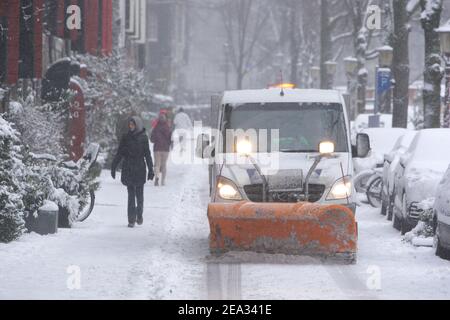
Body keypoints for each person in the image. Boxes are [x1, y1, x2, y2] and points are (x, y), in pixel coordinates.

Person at [111, 116, 155, 228]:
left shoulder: (144, 138)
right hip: (129, 168)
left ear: (137, 125)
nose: (131, 127)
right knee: (131, 195)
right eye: (130, 125)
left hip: (139, 168)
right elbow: (119, 153)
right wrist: (114, 166)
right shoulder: (126, 137)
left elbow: (147, 155)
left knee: (139, 195)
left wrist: (151, 169)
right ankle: (131, 219)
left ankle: (139, 215)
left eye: (133, 124)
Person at [150, 113, 172, 186]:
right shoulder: (168, 127)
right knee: (164, 164)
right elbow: (171, 139)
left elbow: (152, 139)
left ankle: (157, 177)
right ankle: (163, 181)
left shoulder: (156, 127)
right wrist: (169, 144)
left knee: (157, 164)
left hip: (157, 149)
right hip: (165, 149)